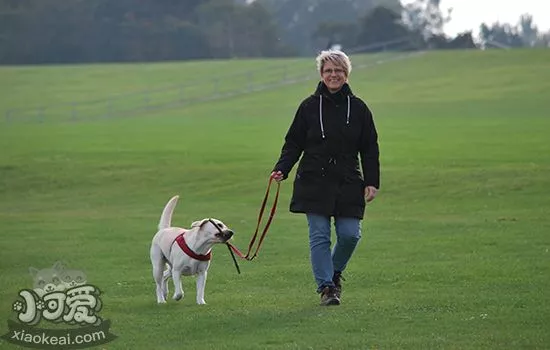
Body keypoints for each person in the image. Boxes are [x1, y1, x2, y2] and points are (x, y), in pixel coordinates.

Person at [271, 49, 380, 306]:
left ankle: (334, 272)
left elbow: (370, 148)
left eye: (339, 71)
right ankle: (327, 287)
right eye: (329, 71)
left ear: (346, 75)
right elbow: (293, 143)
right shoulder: (308, 107)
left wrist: (372, 181)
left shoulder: (360, 108)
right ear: (321, 74)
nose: (334, 75)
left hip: (348, 180)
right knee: (319, 235)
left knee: (350, 234)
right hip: (314, 179)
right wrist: (282, 168)